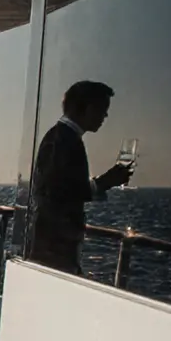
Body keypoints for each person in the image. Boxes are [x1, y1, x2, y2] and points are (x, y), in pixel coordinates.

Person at [24, 80, 132, 275]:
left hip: (51, 243)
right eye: (103, 109)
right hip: (54, 247)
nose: (105, 116)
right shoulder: (65, 140)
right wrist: (105, 182)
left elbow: (61, 186)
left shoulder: (61, 137)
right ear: (89, 108)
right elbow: (59, 191)